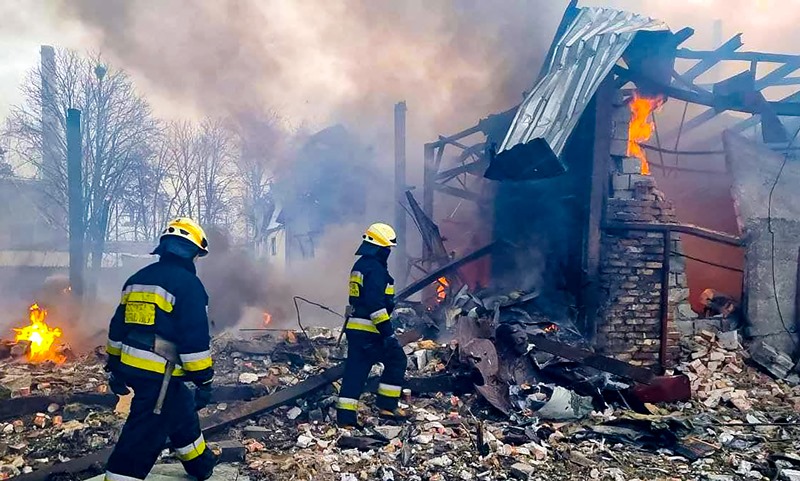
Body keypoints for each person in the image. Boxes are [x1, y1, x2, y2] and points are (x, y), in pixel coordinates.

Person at [103, 217, 217, 481]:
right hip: (159, 375)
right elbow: (194, 340)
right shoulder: (188, 285)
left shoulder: (136, 280)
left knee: (181, 408)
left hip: (134, 368)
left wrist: (115, 368)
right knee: (142, 436)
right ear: (193, 253)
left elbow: (118, 328)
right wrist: (204, 381)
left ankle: (201, 464)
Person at [336, 223, 409, 427]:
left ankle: (345, 419)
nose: (388, 252)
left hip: (356, 330)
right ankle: (387, 405)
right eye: (387, 248)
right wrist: (388, 334)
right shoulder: (375, 270)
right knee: (397, 359)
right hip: (370, 331)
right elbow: (376, 306)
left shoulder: (360, 266)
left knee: (356, 371)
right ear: (379, 247)